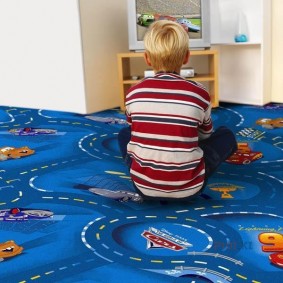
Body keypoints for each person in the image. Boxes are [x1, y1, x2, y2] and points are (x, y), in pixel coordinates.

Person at [118, 20, 237, 201]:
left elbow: (134, 129)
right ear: (187, 57)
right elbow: (205, 135)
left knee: (124, 134)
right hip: (190, 186)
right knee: (226, 135)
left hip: (143, 187)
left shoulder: (133, 92)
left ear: (147, 58)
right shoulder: (200, 93)